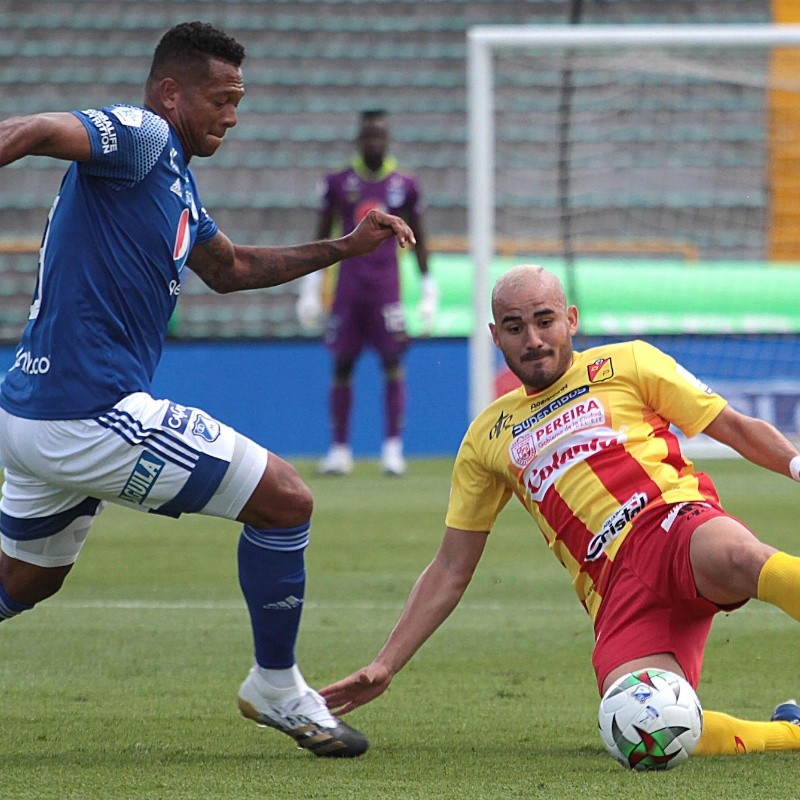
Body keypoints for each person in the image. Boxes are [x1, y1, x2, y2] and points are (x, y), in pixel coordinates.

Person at [0, 21, 418, 759]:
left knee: (26, 581)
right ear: (171, 92)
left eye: (239, 101)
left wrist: (344, 249)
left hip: (31, 414)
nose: (233, 115)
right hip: (90, 413)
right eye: (222, 99)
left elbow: (230, 269)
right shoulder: (141, 136)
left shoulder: (174, 182)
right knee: (287, 501)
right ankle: (278, 687)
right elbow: (33, 128)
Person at [321, 264, 800, 758]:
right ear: (495, 336)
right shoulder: (486, 436)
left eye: (544, 320)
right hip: (614, 591)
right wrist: (386, 664)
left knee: (742, 559)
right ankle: (792, 733)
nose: (532, 339)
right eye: (514, 327)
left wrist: (795, 464)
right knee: (644, 731)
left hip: (672, 524)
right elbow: (450, 566)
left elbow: (734, 426)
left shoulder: (628, 363)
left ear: (570, 319)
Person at [295, 109, 437, 477]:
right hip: (348, 288)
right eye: (369, 137)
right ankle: (340, 450)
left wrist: (427, 287)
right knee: (342, 364)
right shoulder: (339, 182)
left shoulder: (404, 184)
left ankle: (392, 448)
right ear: (360, 141)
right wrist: (310, 288)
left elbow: (419, 237)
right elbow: (322, 234)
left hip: (386, 289)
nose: (374, 142)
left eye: (380, 137)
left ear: (387, 141)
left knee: (393, 363)